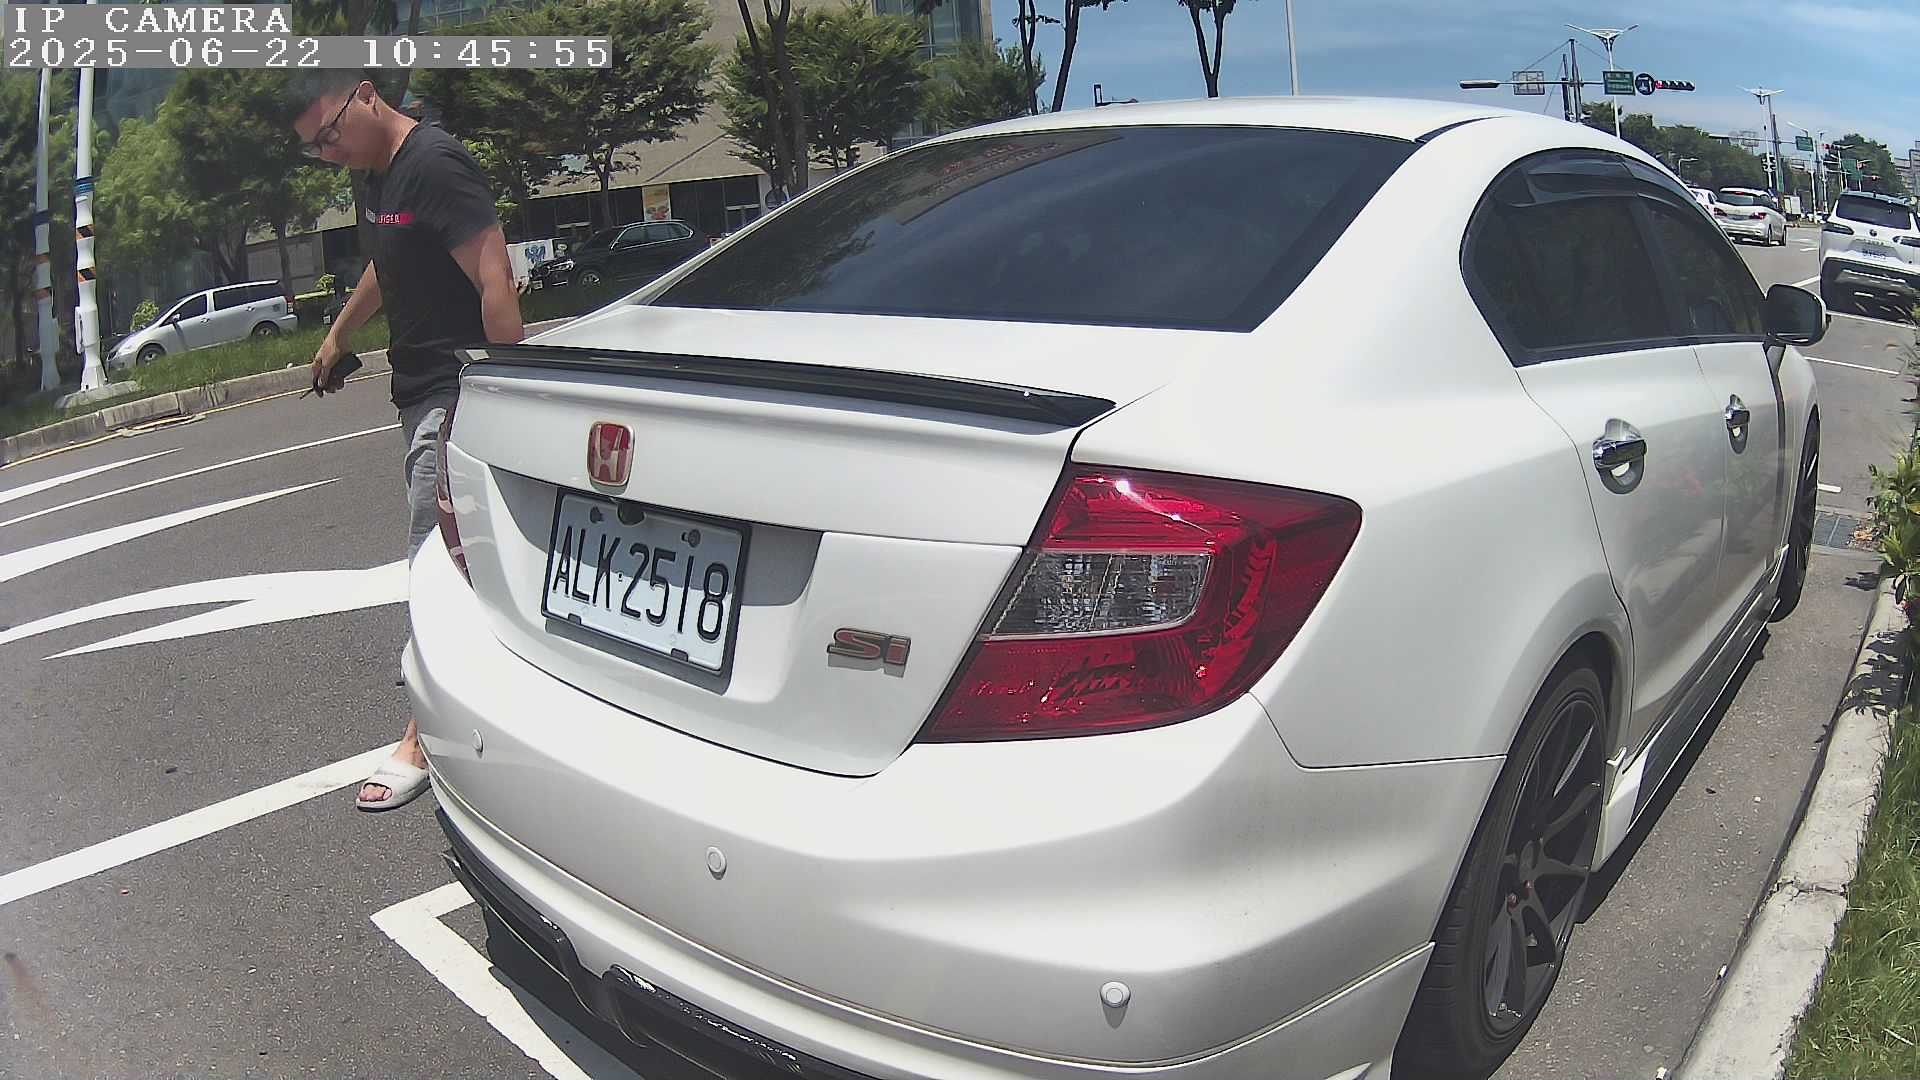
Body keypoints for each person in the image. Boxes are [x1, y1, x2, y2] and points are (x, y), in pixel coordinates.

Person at [289, 69, 524, 811]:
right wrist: (339, 334)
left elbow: (495, 276)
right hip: (416, 387)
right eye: (316, 148)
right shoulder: (374, 176)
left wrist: (509, 393)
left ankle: (422, 735)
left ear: (365, 95)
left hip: (458, 389)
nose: (330, 152)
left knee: (434, 560)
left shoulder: (435, 163)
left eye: (331, 134)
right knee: (468, 559)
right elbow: (386, 264)